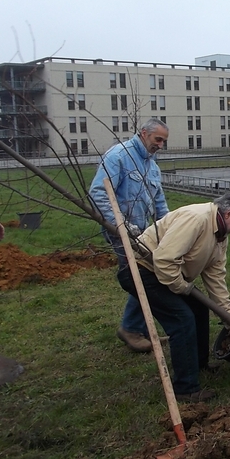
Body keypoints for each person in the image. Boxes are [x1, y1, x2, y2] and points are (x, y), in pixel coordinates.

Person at [117, 192, 230, 403]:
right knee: (182, 321)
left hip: (166, 273)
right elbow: (163, 259)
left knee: (199, 309)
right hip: (142, 270)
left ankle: (199, 365)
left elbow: (215, 277)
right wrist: (182, 287)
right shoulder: (197, 219)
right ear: (229, 214)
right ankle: (185, 388)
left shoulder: (220, 235)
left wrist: (229, 316)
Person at [89, 119, 169, 354]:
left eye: (164, 141)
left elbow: (159, 202)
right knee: (142, 277)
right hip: (121, 232)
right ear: (144, 133)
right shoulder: (118, 156)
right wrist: (120, 225)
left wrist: (169, 229)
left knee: (150, 273)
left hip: (143, 232)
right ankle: (131, 328)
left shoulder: (152, 166)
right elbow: (99, 192)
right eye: (158, 139)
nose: (161, 145)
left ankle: (141, 330)